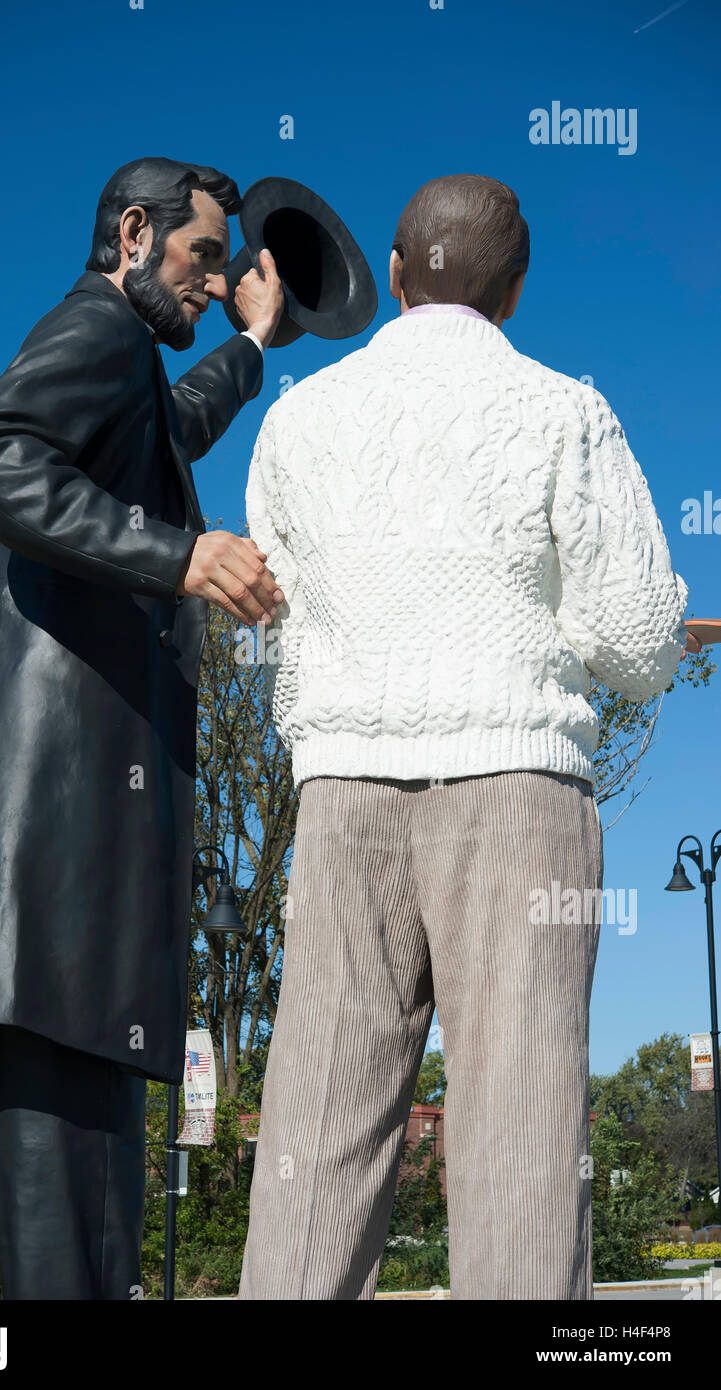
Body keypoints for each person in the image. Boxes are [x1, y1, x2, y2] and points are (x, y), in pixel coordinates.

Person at [240, 173, 689, 1300]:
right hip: (516, 787)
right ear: (517, 289)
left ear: (392, 276)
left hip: (343, 791)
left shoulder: (299, 418)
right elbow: (635, 638)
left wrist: (325, 735)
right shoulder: (563, 410)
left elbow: (279, 621)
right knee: (518, 1142)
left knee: (317, 1138)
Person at [0, 155, 284, 1300]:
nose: (206, 283)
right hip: (59, 878)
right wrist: (182, 556)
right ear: (134, 233)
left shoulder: (121, 367)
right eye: (201, 258)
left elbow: (165, 429)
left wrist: (249, 345)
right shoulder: (100, 327)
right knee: (72, 1228)